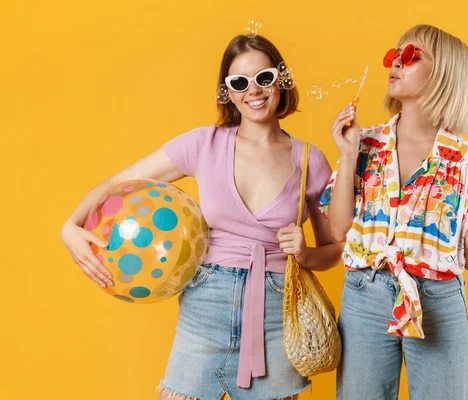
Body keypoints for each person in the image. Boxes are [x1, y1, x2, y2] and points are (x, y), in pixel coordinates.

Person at [60, 34, 343, 400]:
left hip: (276, 312)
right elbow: (120, 183)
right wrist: (69, 226)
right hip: (206, 305)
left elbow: (335, 249)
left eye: (264, 78)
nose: (253, 91)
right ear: (227, 91)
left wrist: (304, 255)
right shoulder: (203, 144)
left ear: (281, 80)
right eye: (239, 82)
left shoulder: (310, 160)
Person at [319, 24, 468, 400]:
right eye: (394, 54)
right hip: (366, 294)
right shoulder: (364, 144)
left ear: (444, 73)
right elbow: (339, 230)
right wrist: (347, 155)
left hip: (436, 298)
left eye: (411, 56)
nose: (395, 62)